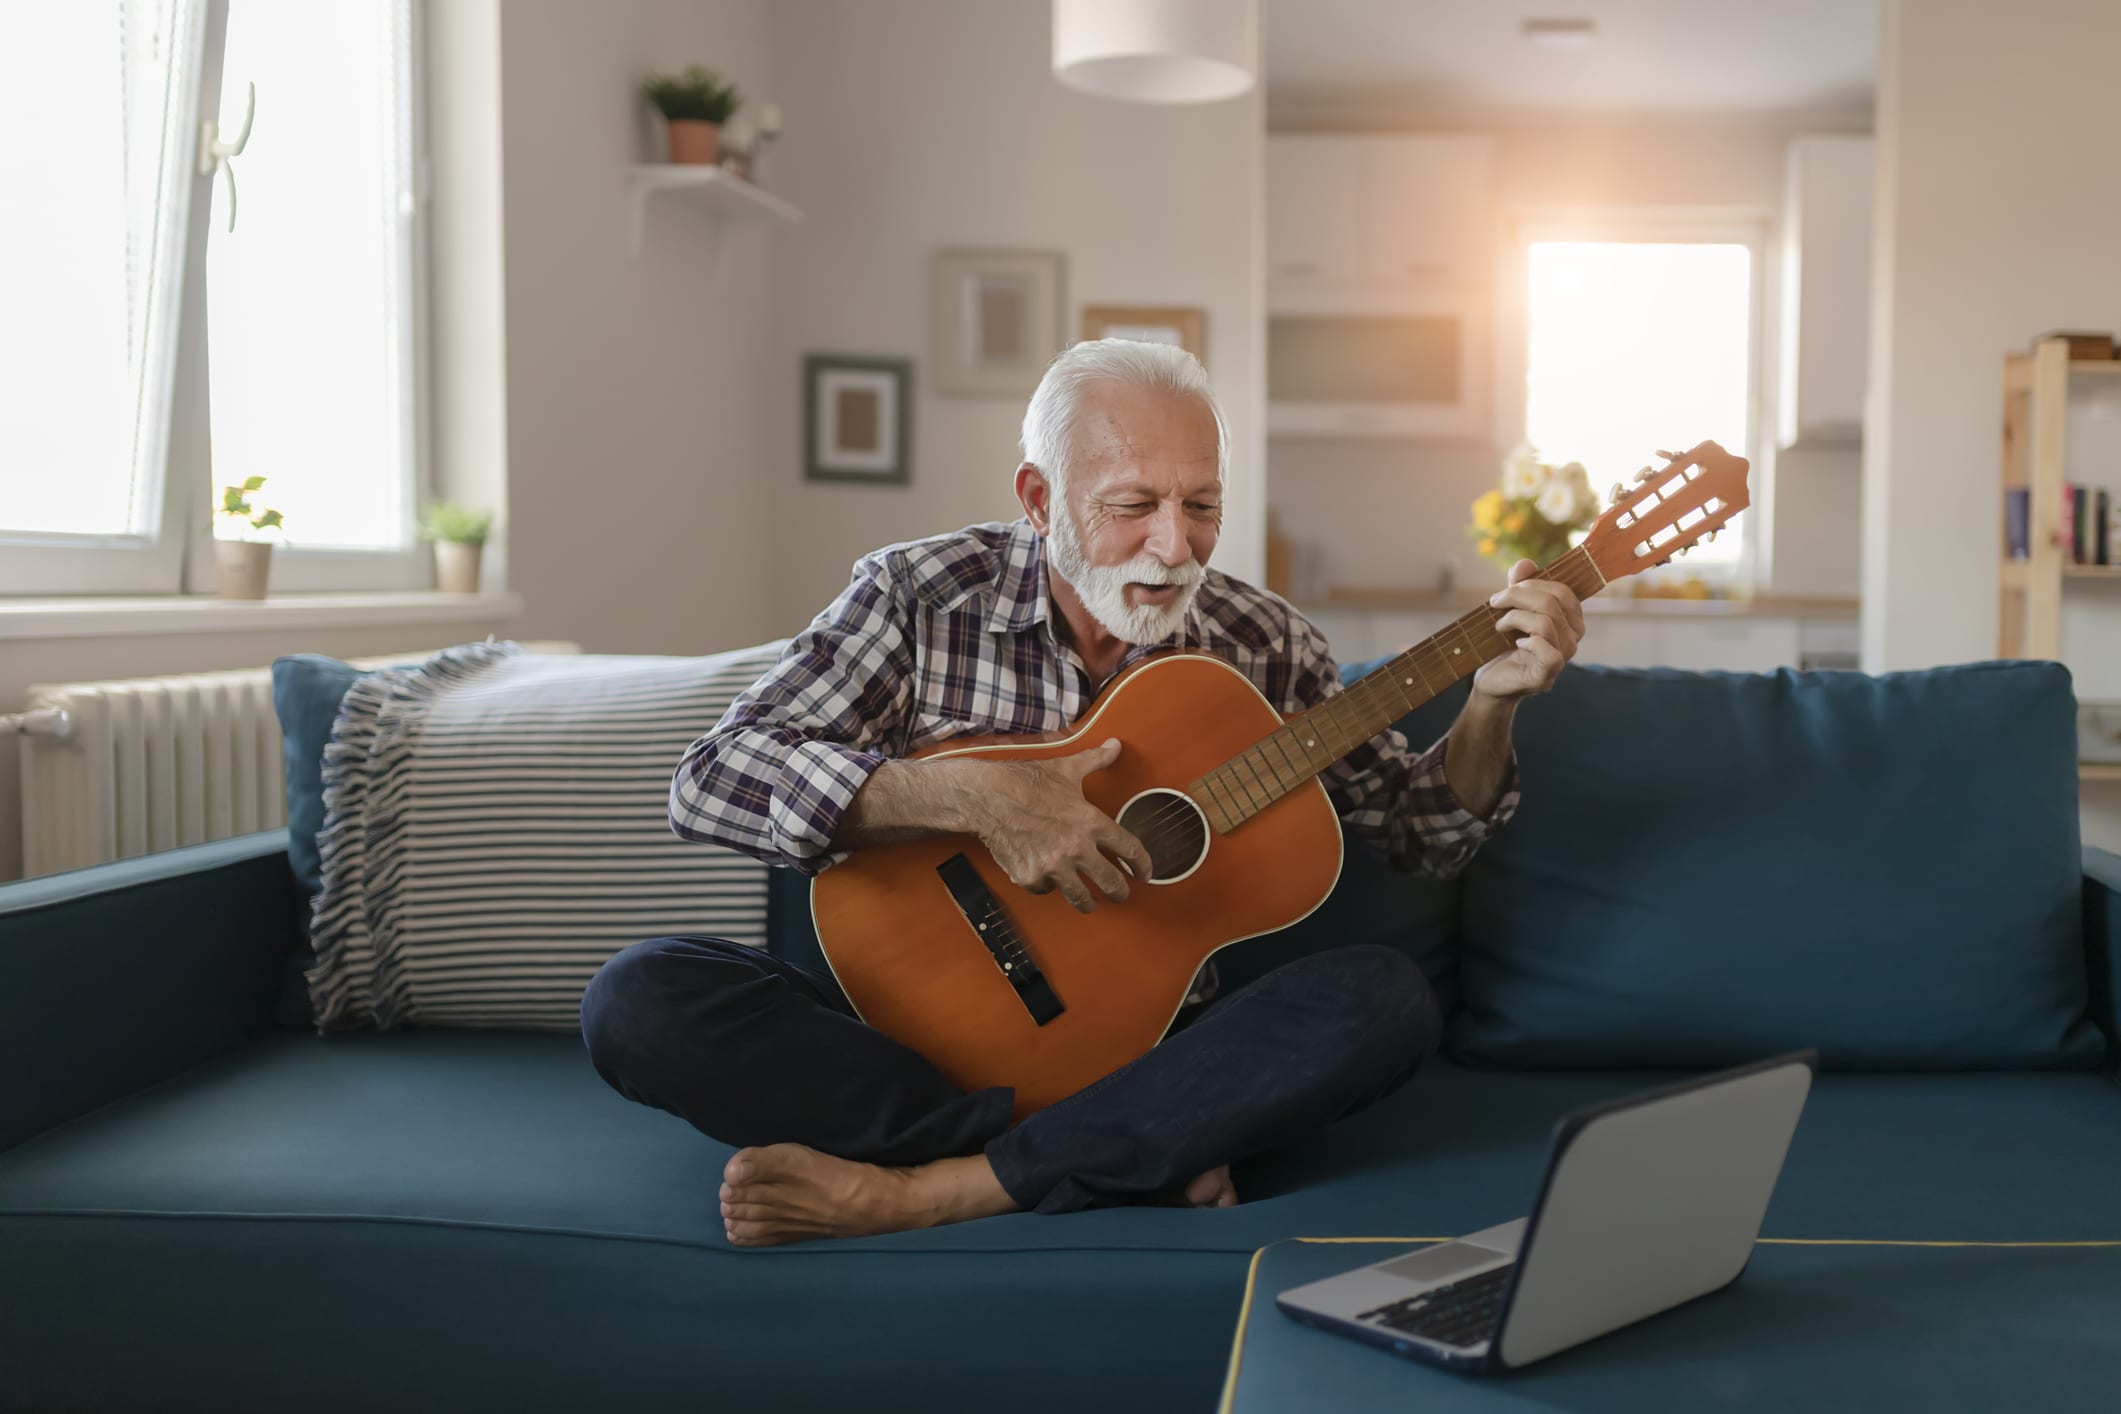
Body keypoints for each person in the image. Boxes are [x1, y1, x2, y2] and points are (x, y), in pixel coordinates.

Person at [581, 339, 1584, 1247]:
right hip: (885, 1049)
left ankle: (933, 1189)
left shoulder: (1265, 642)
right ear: (1038, 497)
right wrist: (972, 798)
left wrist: (1491, 704)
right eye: (1132, 505)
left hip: (1142, 1053)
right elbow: (713, 780)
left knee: (1386, 1002)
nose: (1175, 546)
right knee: (639, 998)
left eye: (1201, 505)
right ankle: (1105, 1158)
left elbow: (1424, 834)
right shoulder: (919, 597)